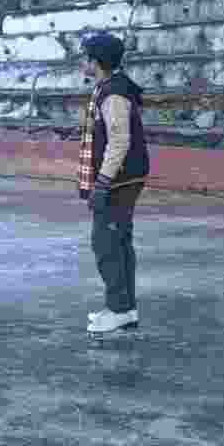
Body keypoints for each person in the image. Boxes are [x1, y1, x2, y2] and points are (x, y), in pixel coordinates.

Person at [78, 32, 150, 334]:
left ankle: (119, 309)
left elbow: (119, 142)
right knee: (117, 242)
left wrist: (103, 184)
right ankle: (123, 307)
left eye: (86, 57)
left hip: (119, 181)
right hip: (119, 178)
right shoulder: (107, 88)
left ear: (97, 62)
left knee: (107, 244)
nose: (82, 62)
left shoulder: (115, 94)